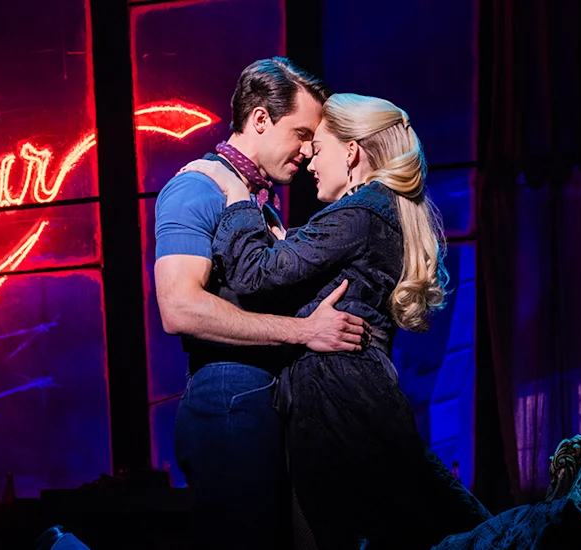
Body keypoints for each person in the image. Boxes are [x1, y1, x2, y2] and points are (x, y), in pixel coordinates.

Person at [183, 93, 491, 549]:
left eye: (319, 146)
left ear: (351, 152)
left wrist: (236, 196)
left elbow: (255, 274)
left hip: (339, 396)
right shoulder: (379, 211)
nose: (308, 160)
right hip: (352, 390)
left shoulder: (361, 212)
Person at [154, 58, 370, 550]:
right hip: (229, 393)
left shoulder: (260, 202)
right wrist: (305, 331)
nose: (308, 149)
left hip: (268, 396)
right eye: (300, 133)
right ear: (259, 120)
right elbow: (179, 308)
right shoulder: (197, 188)